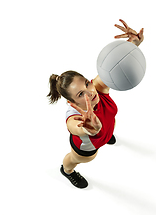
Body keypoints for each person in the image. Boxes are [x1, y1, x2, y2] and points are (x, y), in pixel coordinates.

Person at [47, 19, 144, 188]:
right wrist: (86, 129)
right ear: (71, 102)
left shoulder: (97, 86)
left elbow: (116, 65)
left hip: (106, 129)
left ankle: (106, 137)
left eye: (86, 83)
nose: (90, 92)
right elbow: (74, 127)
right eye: (80, 94)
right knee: (74, 160)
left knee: (107, 130)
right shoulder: (75, 117)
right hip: (87, 148)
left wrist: (133, 43)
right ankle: (67, 171)